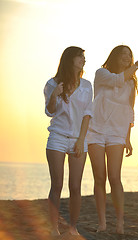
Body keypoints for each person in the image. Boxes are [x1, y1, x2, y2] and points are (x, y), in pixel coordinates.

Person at [87, 45, 138, 233]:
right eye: (123, 54)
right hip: (95, 130)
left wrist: (128, 138)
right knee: (99, 177)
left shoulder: (131, 83)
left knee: (114, 177)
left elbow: (130, 112)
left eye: (129, 55)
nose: (126, 57)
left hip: (117, 133)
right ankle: (102, 223)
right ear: (114, 56)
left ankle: (120, 223)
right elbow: (117, 80)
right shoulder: (102, 74)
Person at [44, 46, 92, 236]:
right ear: (70, 59)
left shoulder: (87, 85)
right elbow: (50, 111)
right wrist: (55, 94)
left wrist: (81, 140)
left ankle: (72, 227)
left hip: (78, 139)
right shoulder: (52, 83)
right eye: (80, 56)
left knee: (75, 186)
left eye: (83, 57)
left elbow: (88, 114)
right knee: (56, 185)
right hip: (57, 136)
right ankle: (53, 228)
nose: (83, 60)